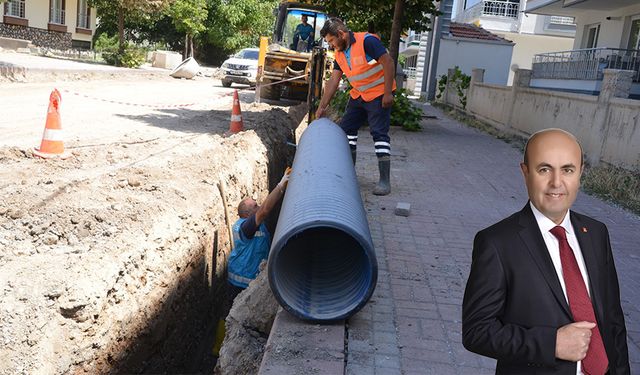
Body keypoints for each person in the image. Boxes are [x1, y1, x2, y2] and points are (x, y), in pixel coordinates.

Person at [462, 128, 630, 374]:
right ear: (525, 172)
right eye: (544, 169)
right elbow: (477, 331)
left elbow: (613, 320)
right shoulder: (497, 243)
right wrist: (552, 344)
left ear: (580, 173)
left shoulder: (596, 233)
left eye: (568, 170)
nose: (556, 183)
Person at [315, 18, 396, 196]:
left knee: (379, 133)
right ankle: (349, 174)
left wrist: (388, 92)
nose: (331, 45)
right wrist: (322, 106)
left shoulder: (367, 41)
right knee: (346, 130)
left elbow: (388, 62)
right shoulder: (340, 53)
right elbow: (334, 81)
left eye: (331, 41)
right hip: (359, 95)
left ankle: (384, 181)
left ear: (341, 34)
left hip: (378, 95)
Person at [227, 167, 291, 298]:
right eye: (255, 206)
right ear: (247, 214)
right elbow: (264, 211)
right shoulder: (246, 227)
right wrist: (280, 185)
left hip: (249, 278)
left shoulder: (256, 226)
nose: (259, 207)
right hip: (242, 283)